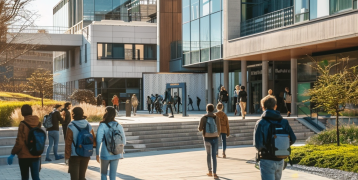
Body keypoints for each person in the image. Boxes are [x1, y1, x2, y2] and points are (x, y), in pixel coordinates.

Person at [254, 95, 296, 180]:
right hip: (280, 159)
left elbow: (258, 144)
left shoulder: (260, 123)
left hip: (267, 159)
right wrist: (281, 145)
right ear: (275, 106)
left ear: (263, 107)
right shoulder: (284, 122)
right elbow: (293, 138)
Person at [8, 105, 42, 180]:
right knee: (36, 177)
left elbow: (19, 142)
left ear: (22, 112)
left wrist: (13, 153)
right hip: (35, 153)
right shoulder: (38, 123)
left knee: (25, 177)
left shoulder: (22, 124)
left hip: (24, 155)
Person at [65, 107, 96, 180]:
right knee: (82, 177)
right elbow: (93, 140)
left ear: (73, 114)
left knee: (74, 178)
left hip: (75, 155)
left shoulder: (71, 126)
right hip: (86, 154)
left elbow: (68, 143)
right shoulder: (88, 125)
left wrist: (67, 157)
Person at [96, 107, 126, 180]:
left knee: (103, 174)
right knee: (113, 176)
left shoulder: (103, 125)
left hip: (105, 154)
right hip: (116, 154)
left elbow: (98, 140)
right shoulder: (119, 125)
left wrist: (97, 154)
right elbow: (124, 141)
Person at [198, 104, 221, 179]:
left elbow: (200, 129)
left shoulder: (204, 117)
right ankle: (215, 173)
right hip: (214, 138)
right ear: (213, 109)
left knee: (208, 154)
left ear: (207, 109)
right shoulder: (216, 117)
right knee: (214, 156)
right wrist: (217, 134)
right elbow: (219, 128)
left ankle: (210, 171)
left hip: (206, 138)